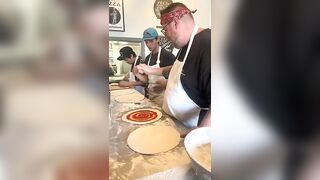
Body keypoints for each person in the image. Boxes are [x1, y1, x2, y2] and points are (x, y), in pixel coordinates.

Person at [136, 2, 211, 129]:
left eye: (164, 29)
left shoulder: (207, 44)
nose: (165, 35)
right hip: (173, 124)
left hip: (189, 130)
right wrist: (152, 71)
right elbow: (181, 69)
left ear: (175, 22)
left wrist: (198, 135)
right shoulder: (184, 46)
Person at [133, 27, 175, 106]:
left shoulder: (167, 55)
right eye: (146, 42)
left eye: (151, 41)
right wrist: (136, 73)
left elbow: (178, 76)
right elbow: (146, 80)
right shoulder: (148, 58)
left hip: (164, 98)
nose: (148, 44)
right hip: (152, 96)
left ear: (157, 39)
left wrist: (166, 83)